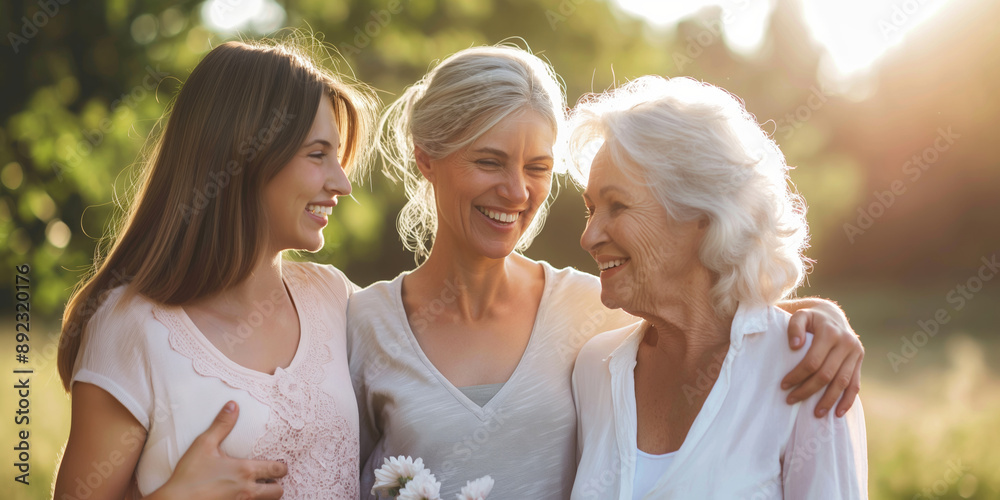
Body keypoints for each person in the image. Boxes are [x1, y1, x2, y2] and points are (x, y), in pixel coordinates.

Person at [348, 46, 865, 499]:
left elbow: (713, 320)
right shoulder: (365, 322)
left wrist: (816, 316)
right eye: (489, 161)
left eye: (537, 168)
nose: (517, 191)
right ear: (426, 160)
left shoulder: (594, 314)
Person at [53, 37, 376, 500]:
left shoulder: (336, 299)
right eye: (317, 154)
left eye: (338, 157)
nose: (342, 183)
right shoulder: (132, 328)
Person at [569, 76, 867, 499]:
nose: (589, 236)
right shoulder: (593, 369)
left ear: (703, 216)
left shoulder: (810, 370)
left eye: (617, 205)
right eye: (590, 209)